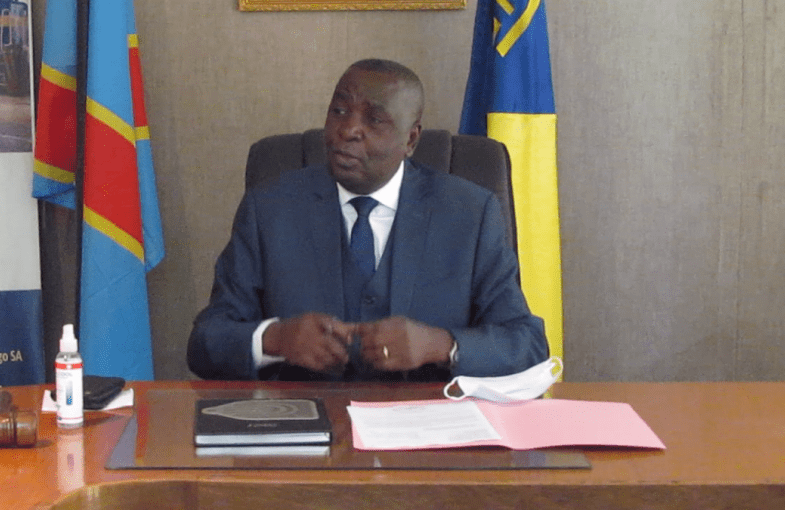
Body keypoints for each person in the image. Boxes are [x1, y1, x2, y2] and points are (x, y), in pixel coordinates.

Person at [187, 58, 548, 382]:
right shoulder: (269, 208)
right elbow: (204, 342)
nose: (348, 130)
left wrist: (439, 345)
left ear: (411, 139)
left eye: (374, 119)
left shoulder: (469, 213)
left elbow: (528, 344)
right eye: (339, 110)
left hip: (425, 425)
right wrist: (275, 338)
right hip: (304, 423)